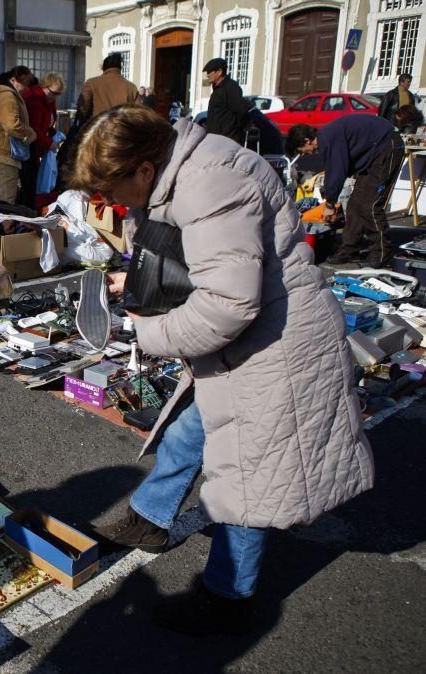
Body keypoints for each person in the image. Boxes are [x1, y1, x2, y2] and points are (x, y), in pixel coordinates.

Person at [72, 105, 373, 635]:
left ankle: (227, 597)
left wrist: (150, 334)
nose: (111, 204)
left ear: (144, 168)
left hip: (275, 350)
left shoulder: (211, 183)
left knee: (248, 475)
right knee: (192, 429)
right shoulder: (178, 173)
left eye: (113, 189)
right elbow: (190, 260)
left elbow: (230, 304)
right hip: (245, 345)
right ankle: (150, 516)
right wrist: (135, 283)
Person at [286, 115, 403, 267]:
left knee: (370, 206)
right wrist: (329, 192)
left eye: (302, 151)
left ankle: (382, 253)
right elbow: (339, 167)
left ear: (307, 141)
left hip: (387, 147)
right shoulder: (327, 136)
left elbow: (337, 170)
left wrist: (329, 204)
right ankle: (349, 250)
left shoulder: (328, 138)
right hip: (375, 152)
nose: (305, 154)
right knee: (355, 204)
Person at [0, 69, 36, 205]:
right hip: (3, 153)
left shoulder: (2, 94)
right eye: (25, 84)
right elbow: (11, 125)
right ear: (13, 80)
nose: (27, 88)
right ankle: (0, 225)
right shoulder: (6, 96)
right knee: (5, 199)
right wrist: (30, 133)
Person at [19, 72, 64, 207]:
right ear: (45, 86)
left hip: (37, 145)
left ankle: (32, 209)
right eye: (54, 93)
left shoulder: (49, 100)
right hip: (29, 146)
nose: (56, 97)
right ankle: (29, 212)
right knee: (29, 182)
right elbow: (33, 129)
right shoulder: (34, 99)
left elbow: (48, 124)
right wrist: (49, 143)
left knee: (33, 181)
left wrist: (54, 134)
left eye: (58, 94)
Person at [76, 53, 138, 123]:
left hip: (99, 128)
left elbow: (83, 108)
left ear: (103, 68)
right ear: (120, 68)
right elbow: (138, 113)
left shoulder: (92, 83)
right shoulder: (131, 87)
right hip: (122, 130)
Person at [203, 57, 249, 144]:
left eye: (210, 72)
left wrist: (233, 131)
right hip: (215, 138)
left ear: (219, 72)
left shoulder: (231, 87)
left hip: (227, 139)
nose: (207, 75)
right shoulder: (217, 89)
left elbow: (241, 111)